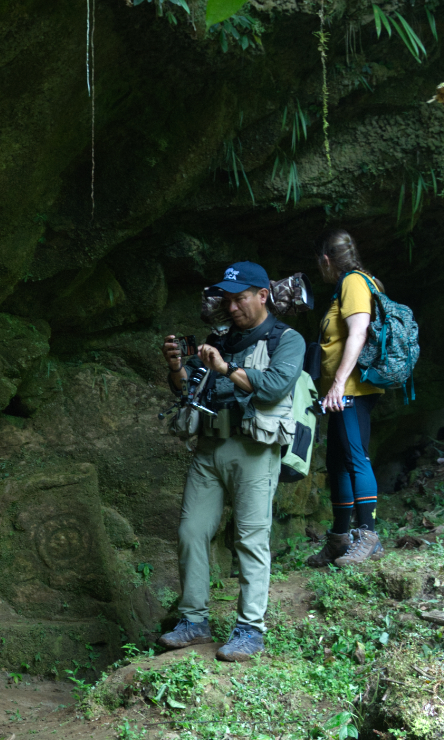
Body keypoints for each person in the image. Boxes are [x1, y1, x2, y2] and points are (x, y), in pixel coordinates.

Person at [158, 261, 306, 661]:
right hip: (210, 448)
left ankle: (250, 630)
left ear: (262, 295)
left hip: (254, 451)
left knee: (251, 538)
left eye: (241, 298)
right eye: (228, 299)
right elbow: (186, 387)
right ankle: (193, 620)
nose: (234, 307)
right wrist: (176, 366)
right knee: (191, 531)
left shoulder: (286, 340)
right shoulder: (219, 338)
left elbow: (274, 387)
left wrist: (228, 368)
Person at [306, 230, 385, 568]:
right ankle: (339, 539)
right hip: (341, 392)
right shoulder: (358, 283)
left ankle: (367, 536)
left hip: (351, 389)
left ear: (326, 261)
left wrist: (338, 383)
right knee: (338, 461)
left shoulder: (354, 282)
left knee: (355, 458)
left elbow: (359, 331)